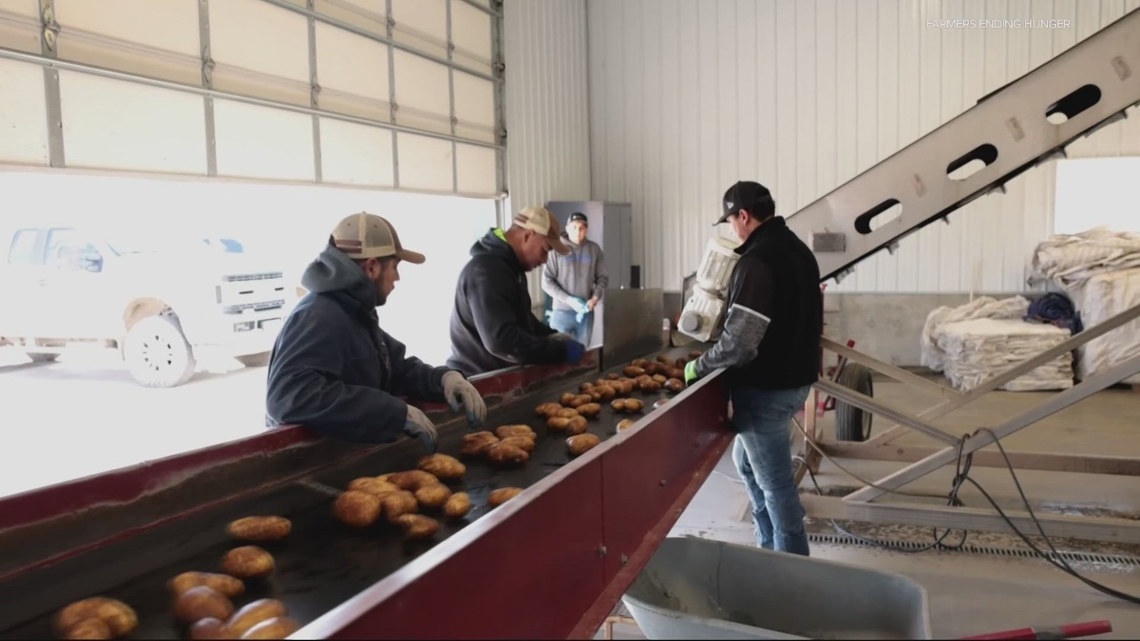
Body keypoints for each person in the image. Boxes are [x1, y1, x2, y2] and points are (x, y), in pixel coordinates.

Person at [265, 212, 486, 451]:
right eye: (395, 266)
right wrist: (391, 412)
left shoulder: (352, 312)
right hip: (308, 465)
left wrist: (443, 379)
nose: (397, 277)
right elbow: (293, 396)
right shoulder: (318, 316)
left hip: (344, 454)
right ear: (371, 267)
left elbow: (394, 368)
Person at [683, 181, 822, 556]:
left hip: (767, 389)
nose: (731, 229)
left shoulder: (757, 261)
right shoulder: (799, 252)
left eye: (730, 220)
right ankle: (767, 546)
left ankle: (791, 567)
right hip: (795, 380)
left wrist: (699, 365)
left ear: (743, 216)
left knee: (776, 483)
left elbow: (741, 342)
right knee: (747, 463)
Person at [447, 206, 588, 376]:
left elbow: (524, 320)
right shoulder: (487, 271)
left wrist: (553, 336)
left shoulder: (511, 270)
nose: (544, 260)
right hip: (478, 383)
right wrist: (559, 351)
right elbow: (502, 341)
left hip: (500, 378)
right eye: (545, 250)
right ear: (528, 235)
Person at [541, 211, 609, 347]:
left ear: (587, 229)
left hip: (585, 314)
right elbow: (546, 282)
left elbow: (602, 278)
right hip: (561, 313)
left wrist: (595, 298)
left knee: (582, 355)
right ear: (567, 228)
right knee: (557, 353)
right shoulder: (556, 250)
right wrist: (568, 299)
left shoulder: (594, 250)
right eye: (574, 227)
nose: (578, 231)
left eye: (582, 228)